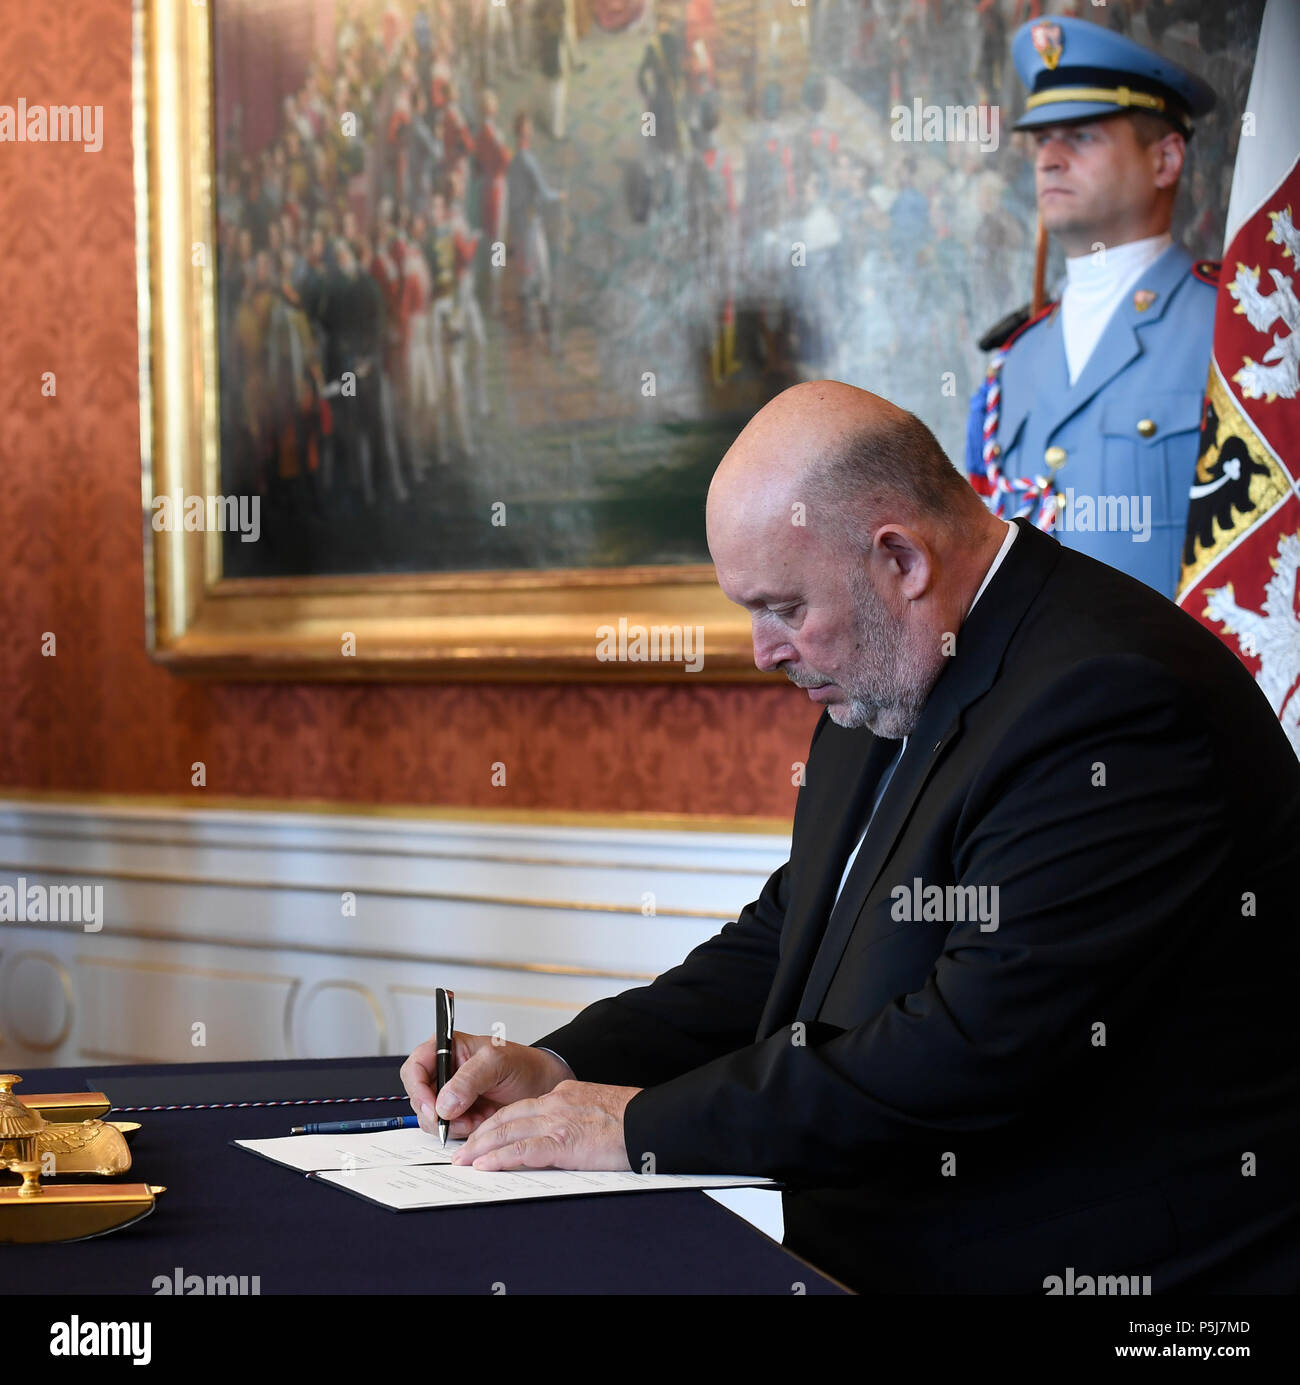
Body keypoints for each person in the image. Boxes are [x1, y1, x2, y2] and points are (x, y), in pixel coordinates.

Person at [402, 381, 1300, 1294]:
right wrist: (564, 1068)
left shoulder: (1109, 701)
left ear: (900, 558)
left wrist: (632, 1127)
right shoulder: (885, 671)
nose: (763, 650)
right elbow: (783, 943)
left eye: (785, 607)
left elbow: (967, 1052)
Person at [966, 16, 1220, 599]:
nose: (1048, 159)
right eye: (1042, 139)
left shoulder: (1234, 327)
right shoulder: (1015, 357)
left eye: (1081, 135)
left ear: (1165, 160)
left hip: (1186, 687)